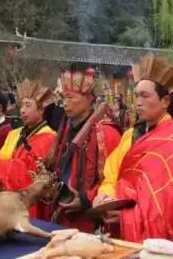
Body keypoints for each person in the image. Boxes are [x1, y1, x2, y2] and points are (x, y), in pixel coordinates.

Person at [94, 54, 173, 248]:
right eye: (136, 96)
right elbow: (112, 176)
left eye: (145, 96)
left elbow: (171, 209)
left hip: (157, 244)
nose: (138, 102)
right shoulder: (130, 135)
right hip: (122, 231)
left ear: (165, 101)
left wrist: (126, 217)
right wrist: (105, 196)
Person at [46, 65, 121, 232]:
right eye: (64, 98)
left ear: (89, 99)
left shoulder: (106, 132)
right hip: (61, 210)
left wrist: (87, 198)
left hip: (89, 218)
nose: (65, 103)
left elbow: (113, 179)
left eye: (71, 98)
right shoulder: (66, 127)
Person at [0, 79, 57, 217]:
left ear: (41, 110)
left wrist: (3, 166)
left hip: (26, 203)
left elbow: (31, 174)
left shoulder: (49, 138)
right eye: (22, 105)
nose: (22, 111)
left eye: (28, 106)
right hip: (2, 198)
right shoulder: (14, 134)